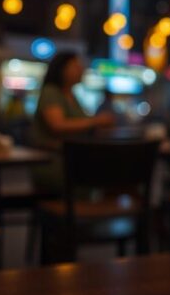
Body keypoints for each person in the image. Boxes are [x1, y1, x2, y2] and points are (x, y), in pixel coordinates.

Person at [30, 53, 114, 191]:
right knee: (112, 171)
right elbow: (57, 125)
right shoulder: (51, 92)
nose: (81, 70)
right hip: (54, 161)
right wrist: (96, 121)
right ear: (61, 69)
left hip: (72, 159)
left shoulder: (71, 95)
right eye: (76, 66)